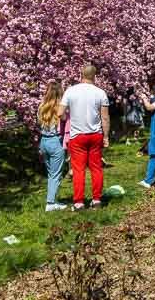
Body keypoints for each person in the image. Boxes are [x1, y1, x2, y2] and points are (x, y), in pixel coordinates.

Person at [58, 64, 110, 210]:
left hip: (77, 135)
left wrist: (68, 118)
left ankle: (79, 202)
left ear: (81, 75)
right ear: (95, 76)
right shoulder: (101, 93)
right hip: (95, 135)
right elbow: (105, 118)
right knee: (96, 168)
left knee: (78, 169)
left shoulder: (71, 91)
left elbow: (60, 113)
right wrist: (106, 136)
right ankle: (97, 200)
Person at [38, 83, 69, 211]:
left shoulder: (42, 106)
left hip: (44, 141)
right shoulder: (60, 108)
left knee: (51, 174)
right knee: (56, 174)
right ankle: (50, 203)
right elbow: (66, 120)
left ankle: (53, 200)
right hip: (56, 141)